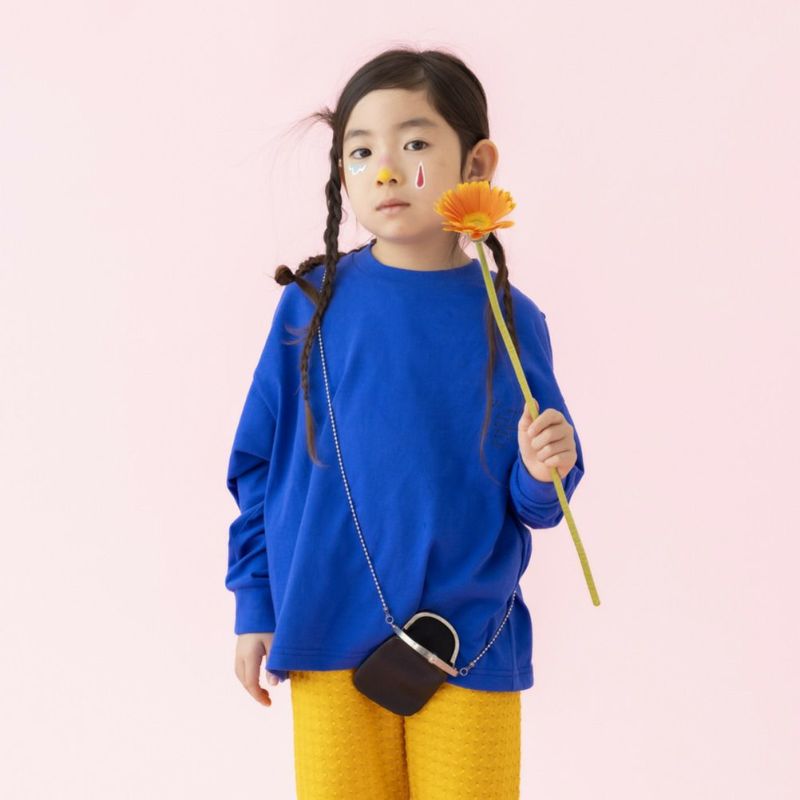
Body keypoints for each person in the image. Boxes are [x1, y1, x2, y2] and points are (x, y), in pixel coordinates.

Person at [224, 47, 585, 799]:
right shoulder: (311, 307)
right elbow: (258, 465)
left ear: (476, 164)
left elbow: (540, 503)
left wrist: (542, 467)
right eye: (360, 152)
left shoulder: (510, 319)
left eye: (414, 143)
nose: (385, 170)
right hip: (323, 632)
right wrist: (256, 603)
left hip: (469, 645)